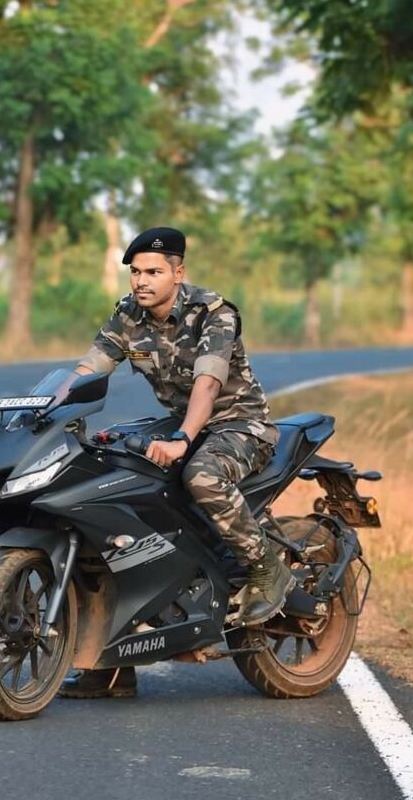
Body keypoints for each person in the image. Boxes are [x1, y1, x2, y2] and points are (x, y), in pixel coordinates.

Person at [59, 226, 295, 699]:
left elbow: (208, 385)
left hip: (238, 424)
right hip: (178, 422)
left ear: (178, 273)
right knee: (111, 486)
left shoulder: (214, 313)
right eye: (135, 272)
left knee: (202, 476)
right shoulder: (128, 314)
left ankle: (265, 566)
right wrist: (42, 408)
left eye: (153, 271)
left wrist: (184, 439)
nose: (141, 281)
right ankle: (114, 663)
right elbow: (86, 370)